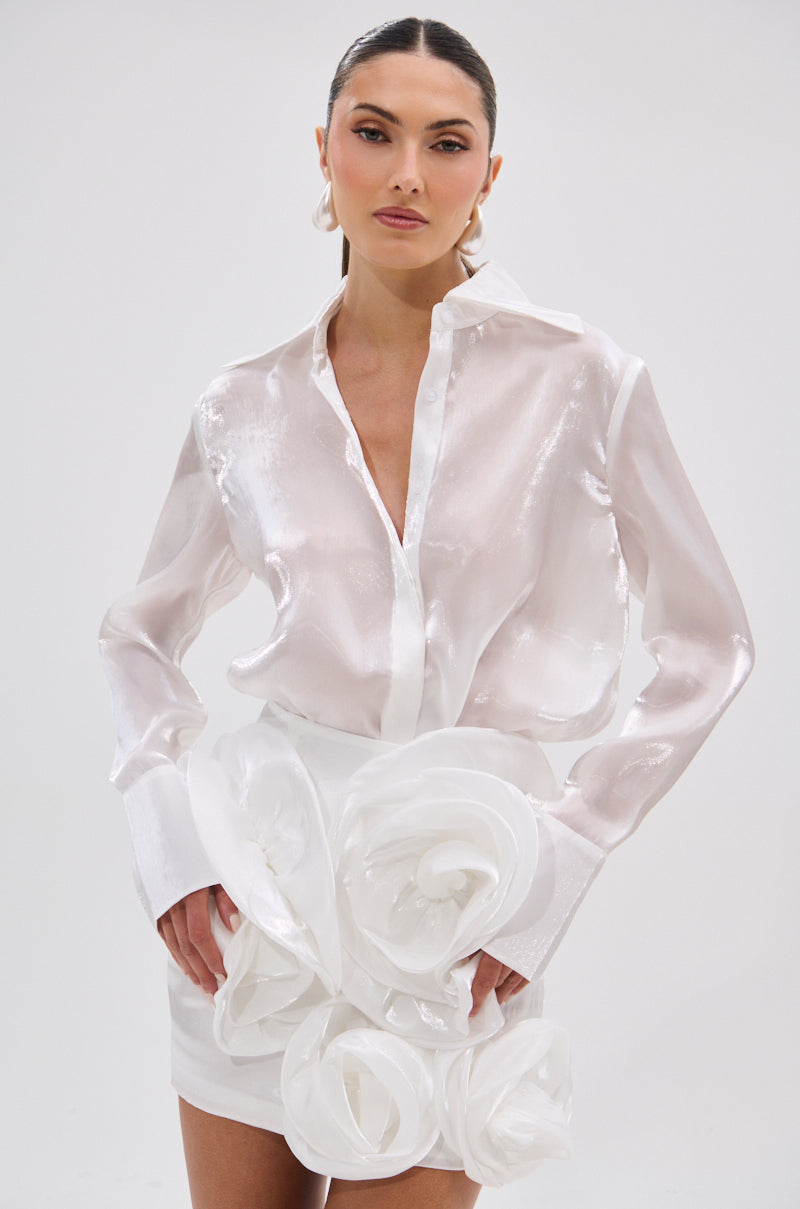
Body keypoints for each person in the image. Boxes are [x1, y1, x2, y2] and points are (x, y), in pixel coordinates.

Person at [99, 17, 753, 1209]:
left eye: (445, 143)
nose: (407, 173)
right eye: (374, 133)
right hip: (259, 909)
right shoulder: (239, 407)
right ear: (323, 151)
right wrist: (171, 847)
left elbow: (708, 644)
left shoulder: (587, 383)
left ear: (487, 175)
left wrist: (555, 862)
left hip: (454, 919)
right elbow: (136, 633)